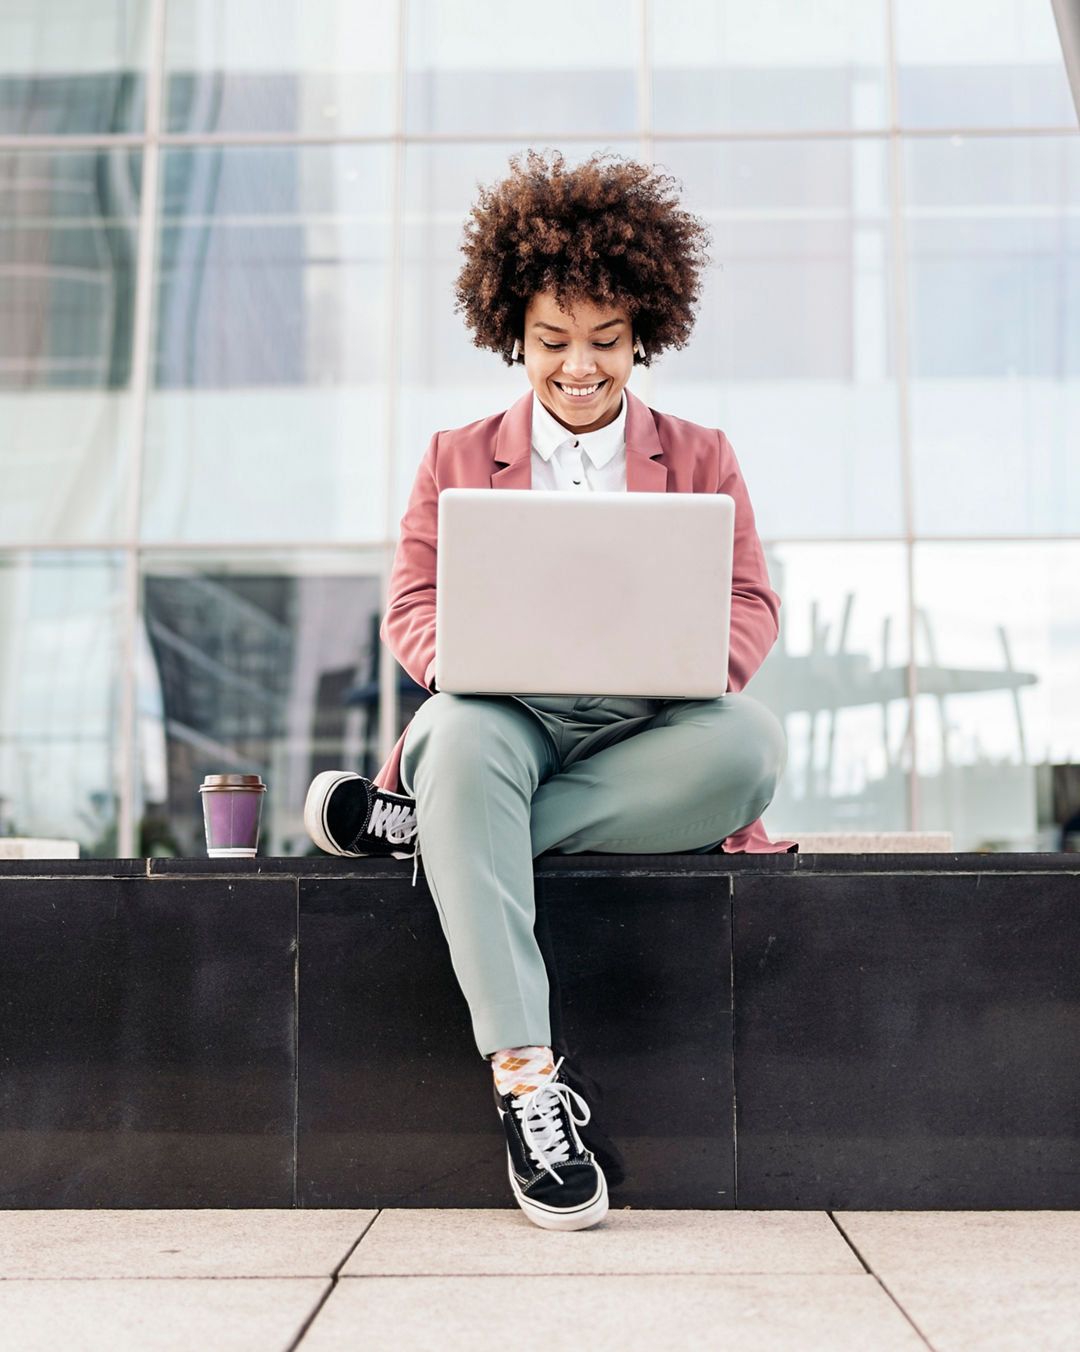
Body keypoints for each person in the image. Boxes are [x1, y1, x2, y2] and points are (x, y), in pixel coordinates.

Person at [304, 151, 791, 1231]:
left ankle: (427, 830)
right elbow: (412, 603)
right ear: (512, 335)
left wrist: (690, 662)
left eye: (605, 343)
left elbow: (750, 600)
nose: (579, 367)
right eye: (553, 342)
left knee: (750, 744)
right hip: (502, 714)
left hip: (649, 729)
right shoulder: (457, 454)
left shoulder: (703, 454)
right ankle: (529, 1083)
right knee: (459, 737)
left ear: (643, 337)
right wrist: (463, 655)